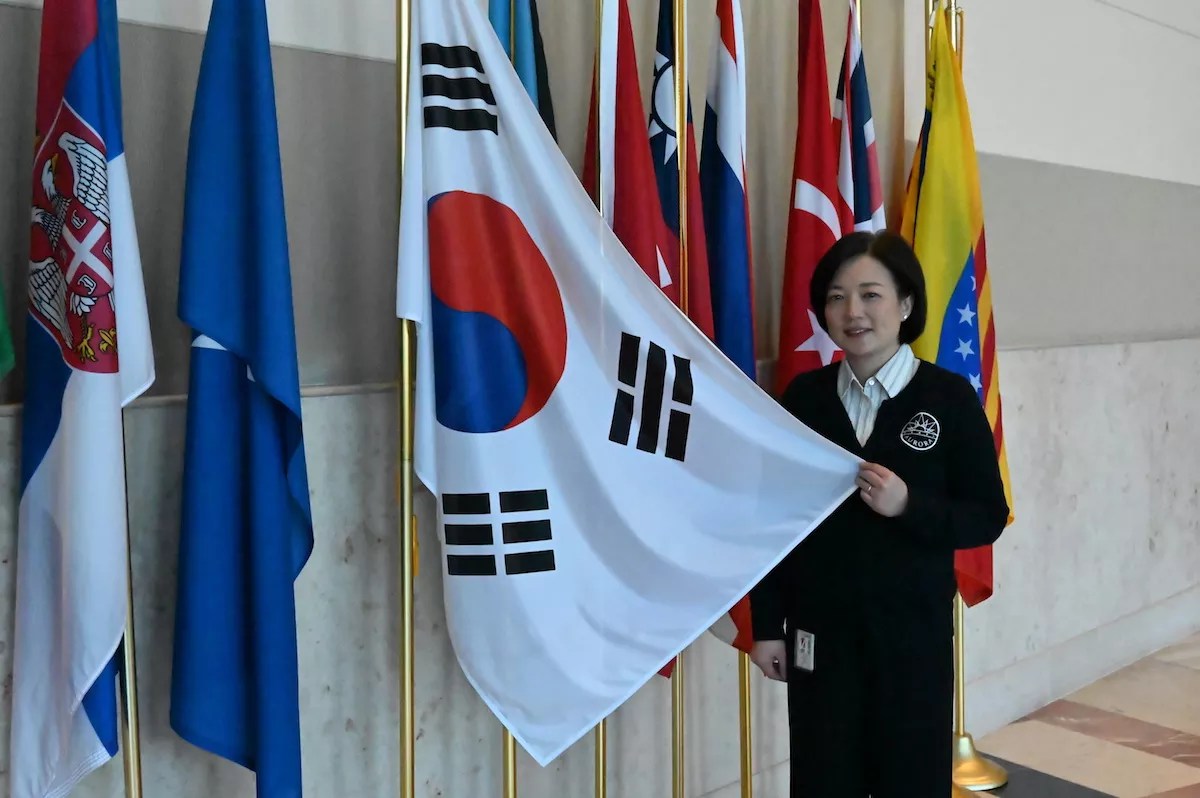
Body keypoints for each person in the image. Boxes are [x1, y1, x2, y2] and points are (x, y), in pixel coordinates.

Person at [749, 231, 1009, 798]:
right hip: (822, 637)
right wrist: (768, 627)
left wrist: (909, 506)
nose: (853, 312)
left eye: (871, 294)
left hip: (912, 640)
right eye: (837, 297)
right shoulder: (805, 398)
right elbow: (774, 522)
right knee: (822, 779)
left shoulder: (948, 399)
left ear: (906, 305)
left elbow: (986, 515)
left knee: (910, 781)